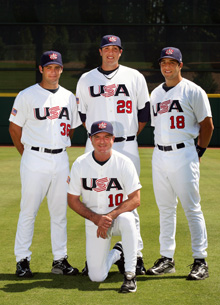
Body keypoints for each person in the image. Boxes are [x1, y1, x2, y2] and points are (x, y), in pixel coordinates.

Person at [76, 35, 150, 275]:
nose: (111, 52)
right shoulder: (86, 79)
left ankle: (135, 255)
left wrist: (125, 136)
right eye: (106, 48)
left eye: (115, 49)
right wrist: (101, 141)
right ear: (100, 51)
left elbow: (143, 113)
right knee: (93, 197)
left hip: (126, 144)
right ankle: (95, 253)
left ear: (121, 52)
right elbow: (83, 116)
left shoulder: (134, 76)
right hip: (96, 144)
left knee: (130, 200)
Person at [9, 50, 82, 277]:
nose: (53, 71)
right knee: (28, 211)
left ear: (61, 69)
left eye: (57, 67)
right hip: (34, 157)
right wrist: (28, 154)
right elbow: (14, 128)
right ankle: (22, 261)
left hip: (60, 158)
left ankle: (60, 260)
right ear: (41, 69)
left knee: (59, 212)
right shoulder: (27, 94)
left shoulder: (69, 97)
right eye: (48, 67)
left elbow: (70, 128)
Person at [147, 47, 214, 280]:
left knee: (191, 208)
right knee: (165, 209)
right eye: (164, 62)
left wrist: (199, 151)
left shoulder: (193, 91)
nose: (167, 67)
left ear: (180, 65)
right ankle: (167, 258)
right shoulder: (155, 94)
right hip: (160, 155)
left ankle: (200, 260)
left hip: (184, 152)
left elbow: (207, 125)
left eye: (172, 63)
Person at [67, 120, 142, 293]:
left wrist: (110, 216)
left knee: (129, 218)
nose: (102, 141)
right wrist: (96, 218)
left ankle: (130, 275)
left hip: (117, 218)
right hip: (94, 221)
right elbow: (72, 200)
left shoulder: (124, 162)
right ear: (91, 140)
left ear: (113, 139)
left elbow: (135, 200)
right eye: (98, 137)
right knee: (97, 276)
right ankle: (117, 252)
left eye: (107, 137)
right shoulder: (80, 163)